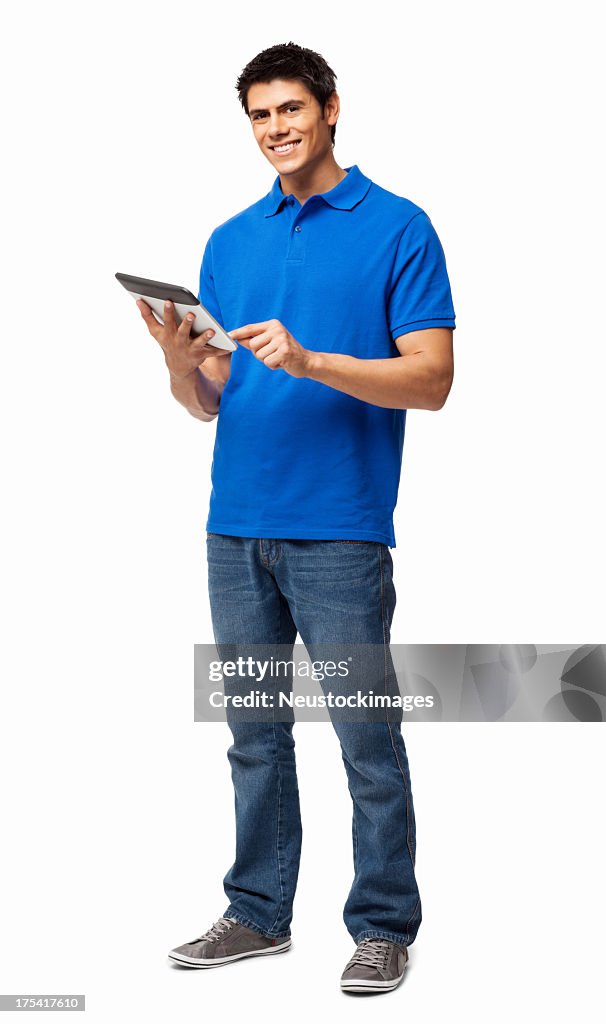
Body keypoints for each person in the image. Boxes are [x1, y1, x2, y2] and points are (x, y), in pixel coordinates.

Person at [136, 41, 456, 994]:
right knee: (254, 731)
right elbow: (211, 399)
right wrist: (175, 357)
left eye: (291, 110)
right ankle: (258, 913)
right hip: (234, 524)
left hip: (341, 527)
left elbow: (432, 380)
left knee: (365, 734)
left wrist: (314, 360)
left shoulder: (399, 226)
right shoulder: (229, 239)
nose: (276, 130)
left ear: (331, 109)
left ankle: (383, 924)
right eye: (260, 116)